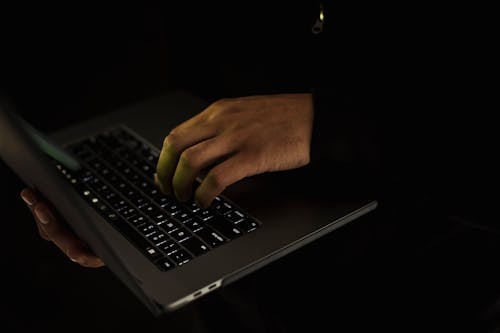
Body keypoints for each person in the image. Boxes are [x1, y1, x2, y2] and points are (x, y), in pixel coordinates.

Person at [17, 1, 499, 332]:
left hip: (422, 301)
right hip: (238, 299)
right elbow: (201, 88)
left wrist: (324, 122)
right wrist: (125, 211)